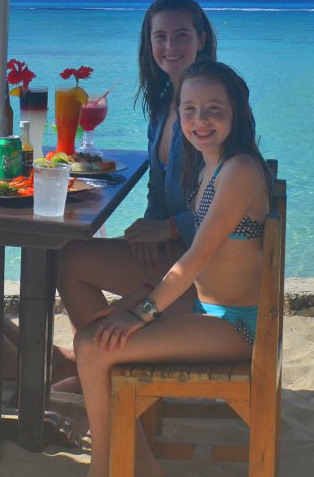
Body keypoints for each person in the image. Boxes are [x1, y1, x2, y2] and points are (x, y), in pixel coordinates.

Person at [75, 61, 273, 477]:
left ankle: (103, 469)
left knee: (95, 347)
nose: (200, 121)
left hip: (235, 326)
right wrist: (137, 302)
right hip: (206, 310)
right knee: (95, 333)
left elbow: (197, 257)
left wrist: (141, 312)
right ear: (177, 113)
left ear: (236, 112)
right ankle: (137, 464)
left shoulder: (238, 170)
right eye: (189, 110)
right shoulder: (209, 167)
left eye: (214, 109)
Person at [56, 0, 217, 336]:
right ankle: (105, 361)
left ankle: (103, 362)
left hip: (205, 266)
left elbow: (231, 200)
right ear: (149, 43)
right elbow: (159, 191)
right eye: (160, 36)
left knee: (67, 260)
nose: (170, 45)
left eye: (182, 35)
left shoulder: (211, 106)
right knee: (66, 254)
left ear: (201, 40)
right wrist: (149, 226)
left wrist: (169, 229)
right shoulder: (163, 106)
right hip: (174, 248)